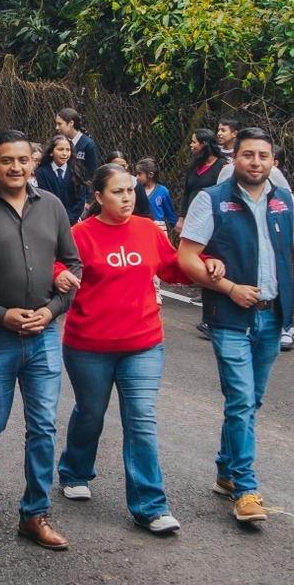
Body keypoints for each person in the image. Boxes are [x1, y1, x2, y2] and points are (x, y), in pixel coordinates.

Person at [177, 126, 294, 526]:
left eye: (263, 156)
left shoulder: (284, 201)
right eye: (248, 155)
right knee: (242, 399)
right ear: (234, 158)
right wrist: (228, 288)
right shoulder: (212, 200)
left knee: (250, 400)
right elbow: (186, 258)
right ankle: (245, 489)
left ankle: (226, 471)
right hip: (229, 318)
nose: (256, 162)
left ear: (274, 162)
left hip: (272, 318)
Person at [0, 131, 82, 549]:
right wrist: (0, 314)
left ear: (33, 163)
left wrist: (52, 309)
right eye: (7, 160)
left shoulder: (53, 206)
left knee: (43, 426)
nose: (16, 167)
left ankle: (35, 513)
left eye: (23, 160)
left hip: (44, 334)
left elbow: (73, 265)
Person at [57, 164, 200, 534]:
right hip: (89, 345)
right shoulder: (80, 234)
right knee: (91, 412)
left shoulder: (147, 230)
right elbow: (56, 264)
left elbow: (173, 268)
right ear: (99, 197)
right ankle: (74, 470)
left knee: (141, 419)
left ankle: (150, 506)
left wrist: (206, 265)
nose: (126, 198)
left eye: (130, 191)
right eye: (117, 192)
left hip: (143, 343)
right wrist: (59, 274)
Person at [34, 133, 90, 222]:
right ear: (51, 152)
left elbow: (81, 199)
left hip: (73, 220)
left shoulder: (77, 171)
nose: (64, 153)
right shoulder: (42, 173)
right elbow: (46, 198)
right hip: (50, 219)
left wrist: (70, 219)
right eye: (60, 149)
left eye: (68, 150)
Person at [135, 158, 177, 242]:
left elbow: (170, 214)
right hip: (140, 227)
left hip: (159, 229)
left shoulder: (163, 191)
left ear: (150, 175)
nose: (137, 177)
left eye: (139, 174)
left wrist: (176, 226)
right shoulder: (135, 191)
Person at [54, 108, 99, 177]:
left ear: (71, 123)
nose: (57, 127)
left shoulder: (88, 144)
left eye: (60, 124)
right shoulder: (59, 142)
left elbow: (93, 171)